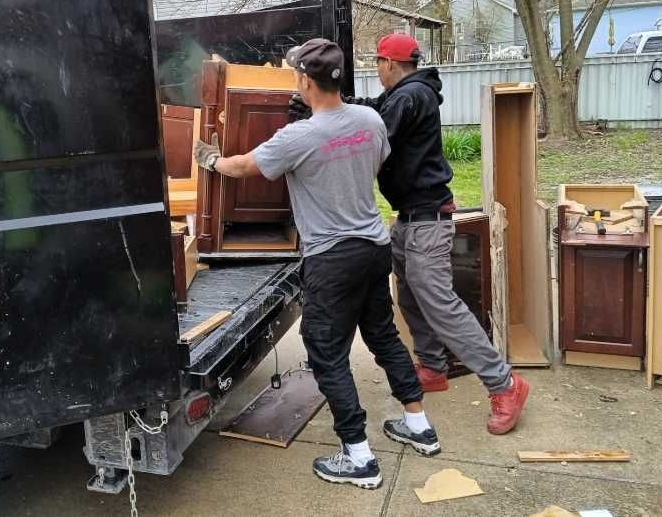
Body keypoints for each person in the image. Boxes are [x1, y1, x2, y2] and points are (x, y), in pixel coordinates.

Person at [194, 39, 440, 490]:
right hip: (373, 247)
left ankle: (359, 456)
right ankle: (419, 426)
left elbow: (245, 167)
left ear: (305, 80)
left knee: (325, 351)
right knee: (383, 336)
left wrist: (211, 159)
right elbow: (376, 156)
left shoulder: (298, 137)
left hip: (332, 257)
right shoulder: (369, 119)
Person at [292, 34, 529, 435]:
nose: (377, 70)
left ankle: (504, 383)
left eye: (378, 62)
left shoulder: (411, 95)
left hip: (426, 220)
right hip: (410, 218)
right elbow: (370, 111)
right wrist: (329, 104)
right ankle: (433, 366)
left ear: (388, 63)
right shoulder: (404, 94)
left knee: (440, 304)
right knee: (410, 297)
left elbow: (369, 132)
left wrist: (320, 111)